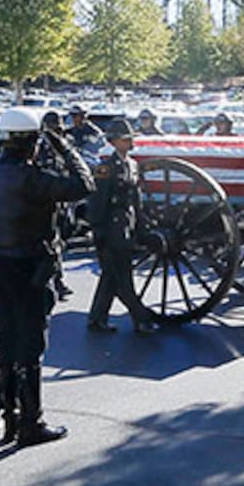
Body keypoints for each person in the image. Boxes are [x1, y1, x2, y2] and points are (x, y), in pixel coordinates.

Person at [0, 107, 93, 446]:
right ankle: (31, 423)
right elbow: (84, 185)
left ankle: (10, 418)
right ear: (32, 143)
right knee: (31, 347)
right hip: (31, 266)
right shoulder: (32, 178)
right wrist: (63, 146)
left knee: (6, 343)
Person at [84, 117, 157, 334]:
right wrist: (97, 230)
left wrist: (142, 224)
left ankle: (97, 318)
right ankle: (140, 318)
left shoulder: (132, 164)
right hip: (110, 227)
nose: (129, 142)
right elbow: (97, 202)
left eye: (130, 138)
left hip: (126, 224)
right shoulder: (105, 168)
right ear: (114, 141)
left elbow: (136, 199)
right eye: (125, 139)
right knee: (121, 276)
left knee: (111, 276)